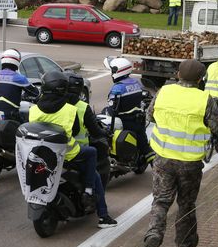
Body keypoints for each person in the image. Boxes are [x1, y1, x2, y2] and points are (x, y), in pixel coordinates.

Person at [137, 59, 218, 247]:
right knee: (186, 204)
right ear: (201, 79)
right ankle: (184, 244)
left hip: (164, 159)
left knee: (160, 201)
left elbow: (151, 116)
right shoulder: (205, 99)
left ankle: (154, 234)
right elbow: (216, 128)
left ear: (178, 75)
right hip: (190, 164)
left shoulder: (164, 92)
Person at [29, 71, 117, 228]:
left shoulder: (34, 109)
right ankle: (98, 208)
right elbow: (76, 130)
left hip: (42, 153)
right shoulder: (72, 109)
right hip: (69, 154)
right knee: (93, 161)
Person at [107, 57, 155, 164]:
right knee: (145, 146)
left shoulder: (117, 88)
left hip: (123, 122)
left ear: (118, 71)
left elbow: (112, 108)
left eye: (112, 71)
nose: (111, 73)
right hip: (138, 120)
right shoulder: (136, 83)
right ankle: (154, 165)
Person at [0, 49, 40, 122]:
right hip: (10, 114)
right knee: (23, 127)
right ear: (17, 62)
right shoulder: (19, 78)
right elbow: (35, 93)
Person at [66, 74, 107, 146]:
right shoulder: (84, 107)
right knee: (96, 151)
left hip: (55, 147)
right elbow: (95, 131)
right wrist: (106, 133)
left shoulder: (56, 103)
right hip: (78, 147)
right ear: (81, 89)